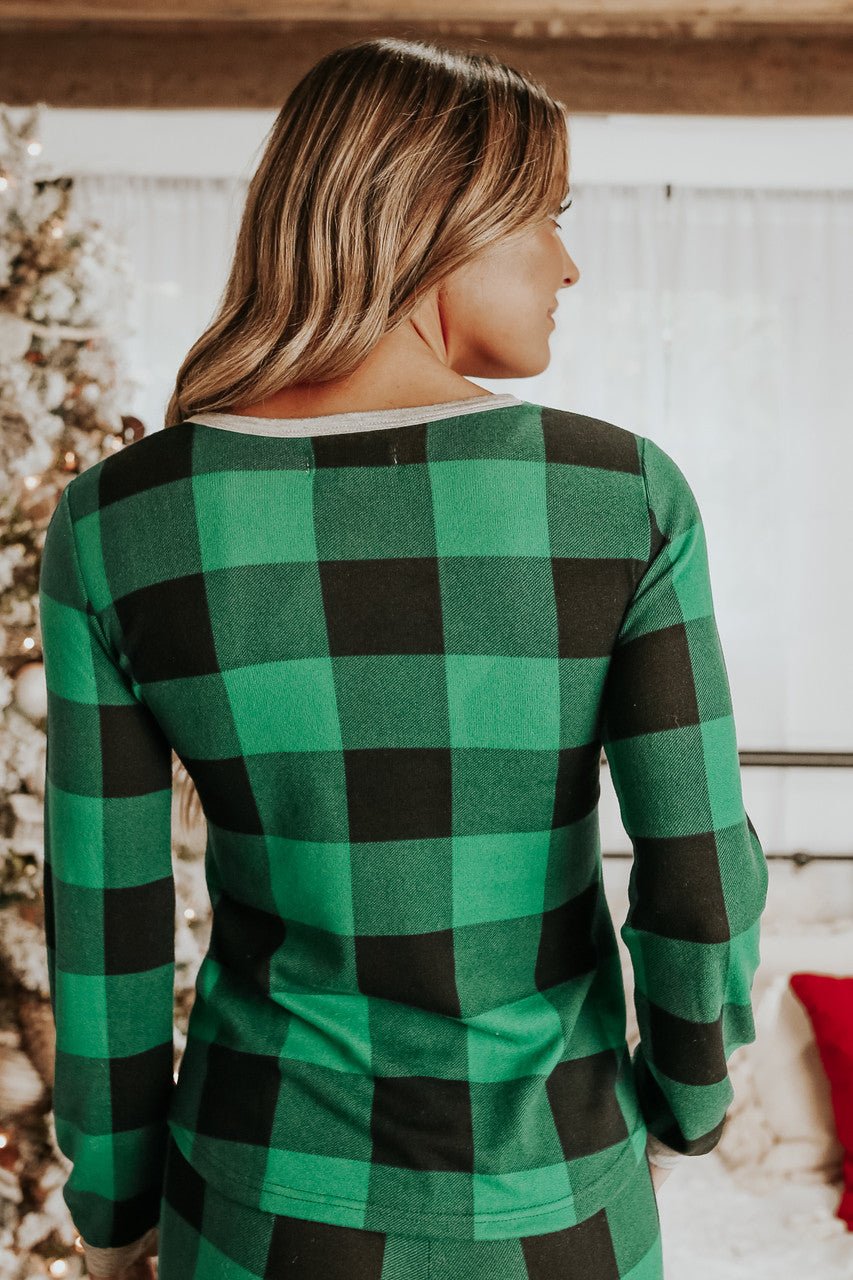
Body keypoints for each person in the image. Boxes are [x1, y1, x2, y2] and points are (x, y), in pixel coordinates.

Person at [38, 35, 768, 1280]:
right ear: (434, 216)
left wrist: (113, 1210)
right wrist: (684, 1105)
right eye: (546, 215)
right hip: (558, 1202)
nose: (568, 262)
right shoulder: (623, 497)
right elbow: (699, 881)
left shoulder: (117, 521)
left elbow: (107, 926)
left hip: (257, 1204)